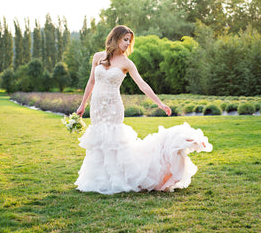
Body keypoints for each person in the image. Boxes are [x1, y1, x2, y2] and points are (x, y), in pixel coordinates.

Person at [75, 25, 212, 194]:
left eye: (129, 41)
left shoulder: (126, 63)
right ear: (115, 38)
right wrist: (83, 105)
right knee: (98, 140)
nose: (127, 44)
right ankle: (99, 179)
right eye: (125, 39)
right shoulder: (98, 57)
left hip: (113, 107)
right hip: (97, 107)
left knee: (113, 140)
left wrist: (160, 103)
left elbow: (142, 85)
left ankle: (118, 179)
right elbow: (91, 82)